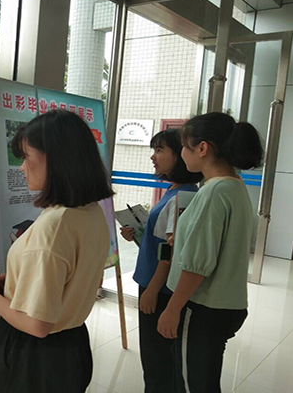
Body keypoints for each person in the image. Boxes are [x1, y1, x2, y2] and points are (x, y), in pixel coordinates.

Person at [0, 110, 114, 393]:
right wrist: (16, 279)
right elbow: (70, 276)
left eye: (26, 157)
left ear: (55, 158)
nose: (21, 167)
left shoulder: (55, 225)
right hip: (72, 346)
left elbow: (37, 324)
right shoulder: (89, 211)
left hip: (33, 357)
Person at [157, 112, 264, 393]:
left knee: (192, 383)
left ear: (202, 148)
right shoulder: (234, 186)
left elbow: (197, 265)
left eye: (185, 146)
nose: (183, 153)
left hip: (202, 307)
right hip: (227, 305)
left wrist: (172, 309)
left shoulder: (213, 192)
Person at [120, 129, 202, 393]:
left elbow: (170, 253)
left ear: (179, 155)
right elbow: (160, 240)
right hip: (152, 281)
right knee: (156, 358)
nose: (153, 157)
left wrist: (153, 290)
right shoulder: (173, 189)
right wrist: (137, 234)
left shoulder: (183, 197)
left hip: (161, 288)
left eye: (159, 150)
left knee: (158, 361)